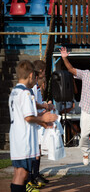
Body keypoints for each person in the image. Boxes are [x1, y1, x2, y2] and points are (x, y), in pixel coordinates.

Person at [9, 60, 57, 192]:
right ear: (31, 75)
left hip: (17, 137)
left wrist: (42, 111)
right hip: (23, 138)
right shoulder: (26, 93)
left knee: (20, 173)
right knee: (22, 174)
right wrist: (44, 119)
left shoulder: (15, 91)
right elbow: (28, 117)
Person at [29, 60, 54, 188]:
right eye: (44, 71)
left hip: (39, 118)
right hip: (36, 121)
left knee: (38, 151)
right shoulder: (33, 86)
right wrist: (45, 107)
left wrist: (45, 106)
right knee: (35, 151)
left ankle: (36, 174)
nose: (45, 73)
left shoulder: (37, 86)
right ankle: (32, 176)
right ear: (40, 72)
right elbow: (33, 104)